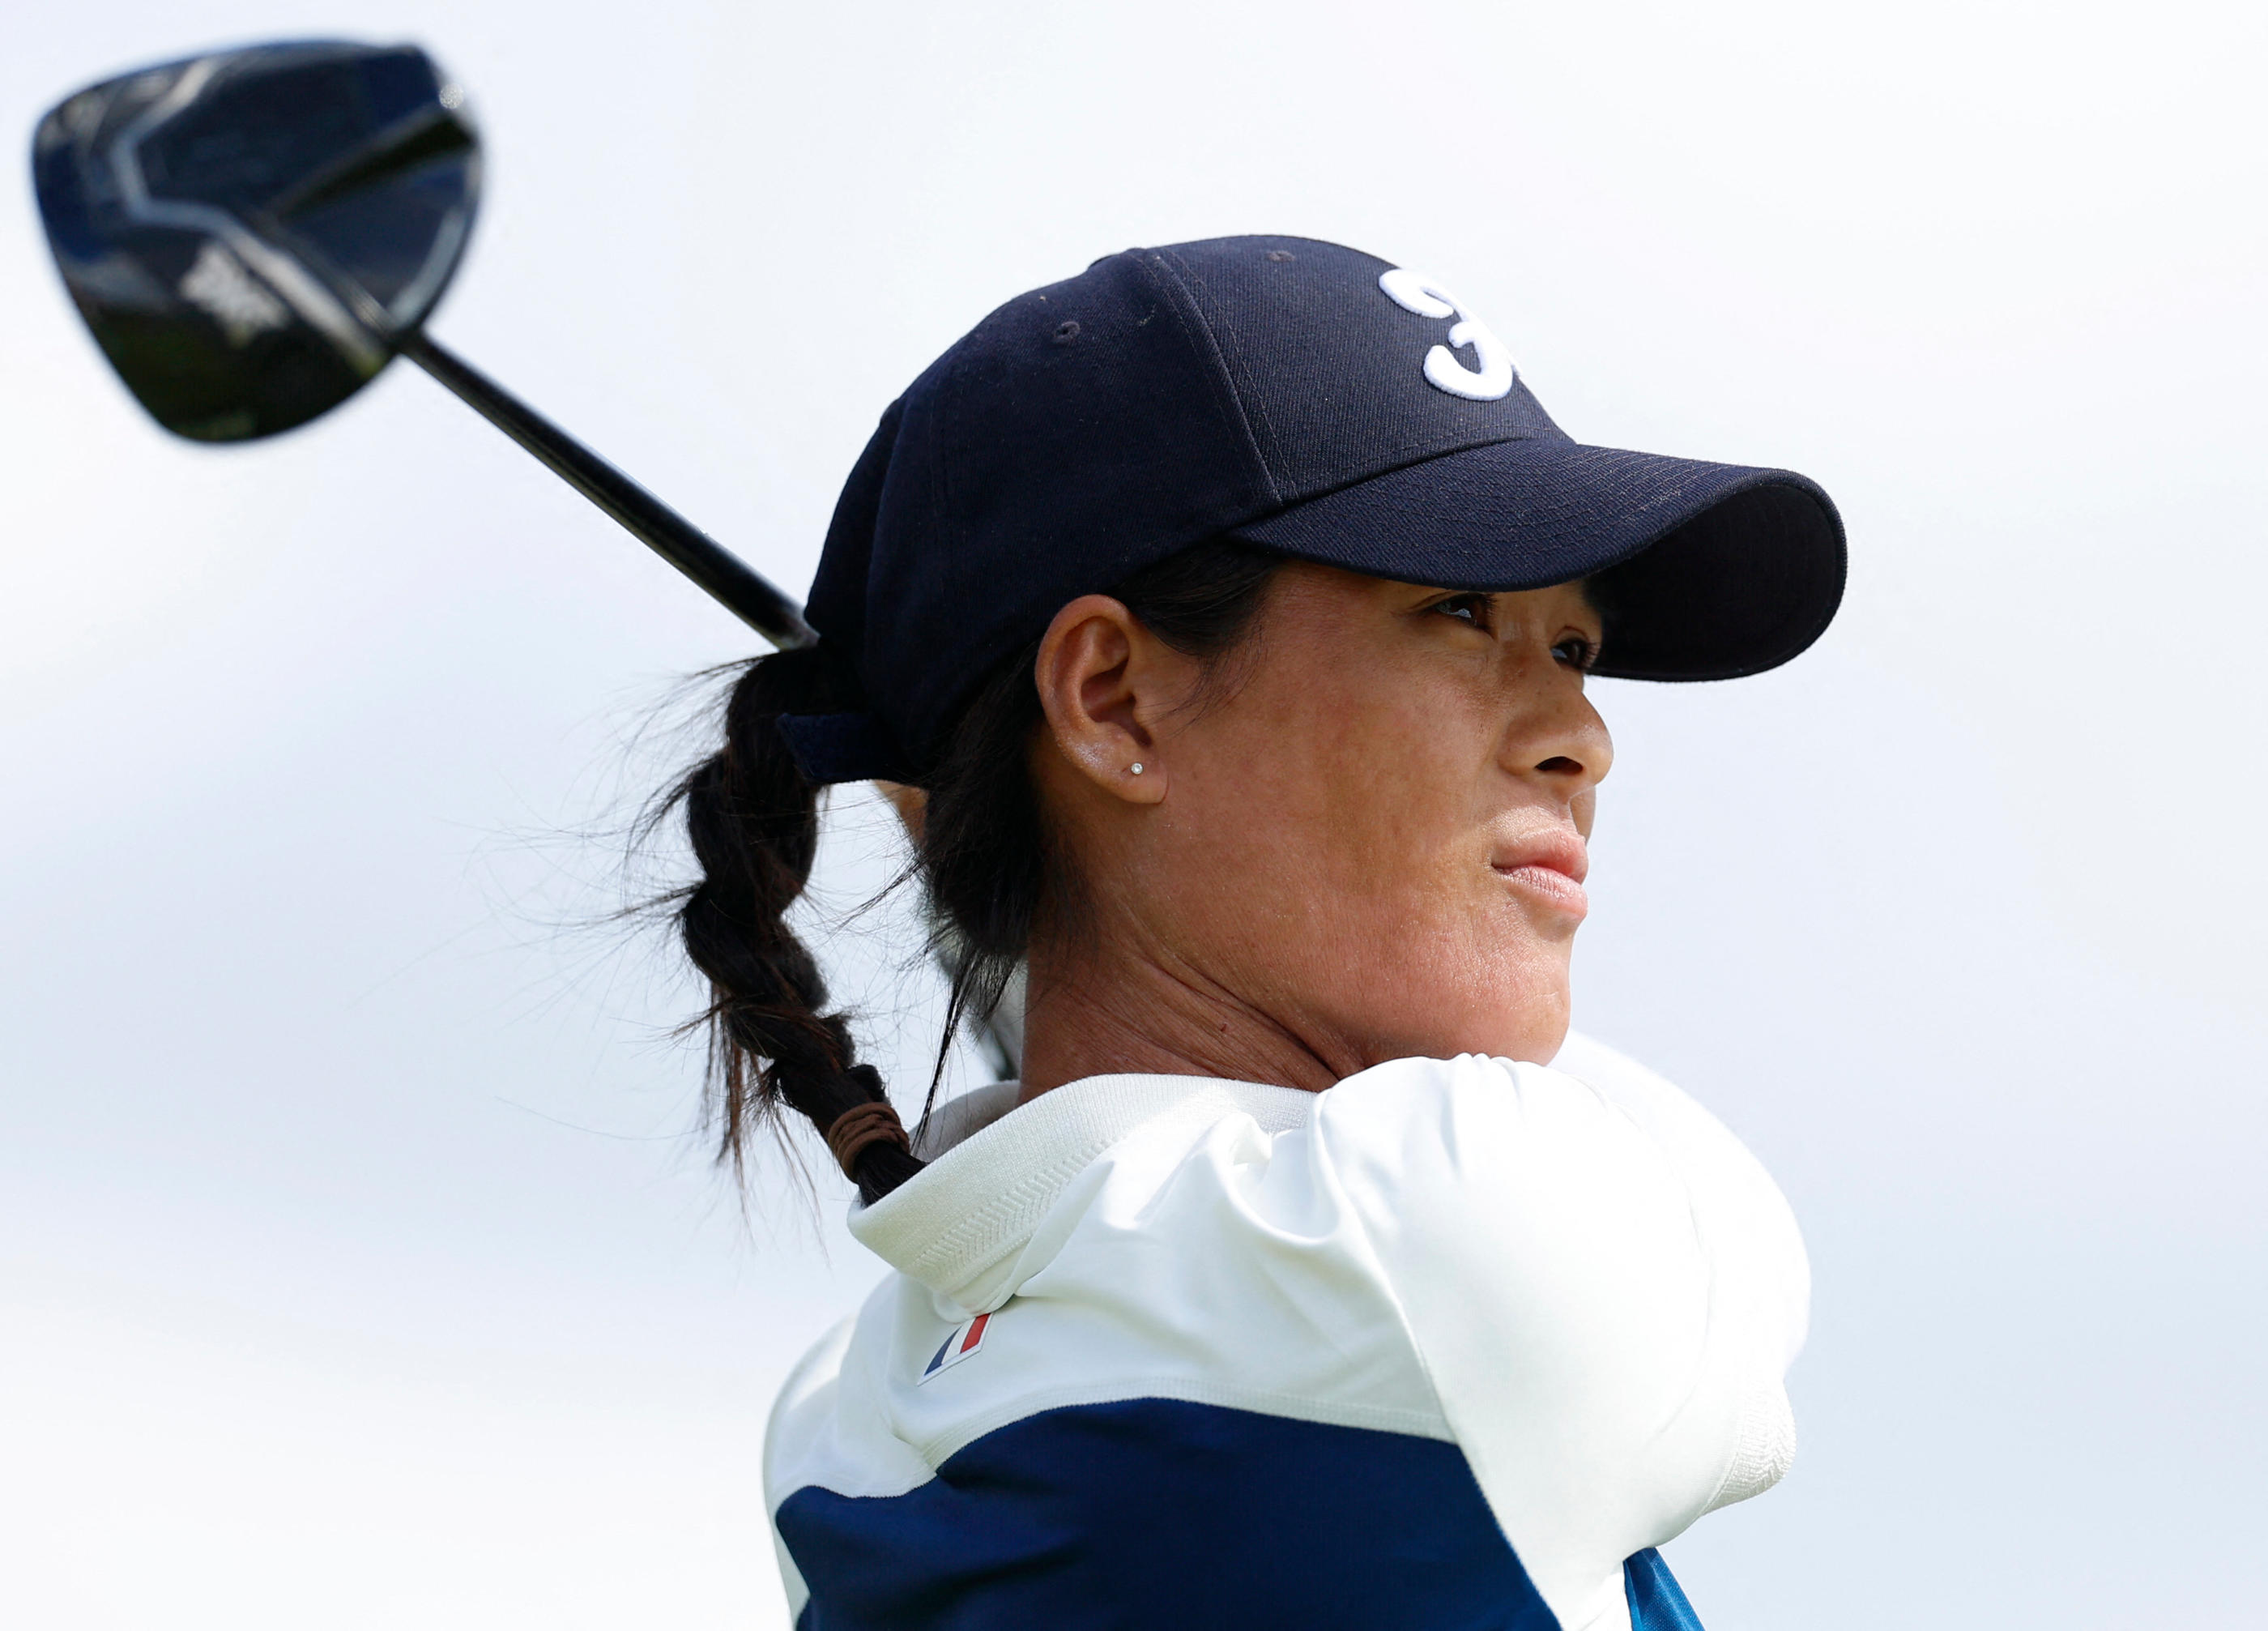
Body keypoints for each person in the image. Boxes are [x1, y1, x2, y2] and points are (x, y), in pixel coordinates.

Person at [660, 236, 1844, 1629]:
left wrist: (1034, 860)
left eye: (1572, 647)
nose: (1580, 739)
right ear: (1111, 699)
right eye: (1462, 612)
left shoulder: (845, 1433)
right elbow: (1699, 1230)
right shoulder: (1457, 1247)